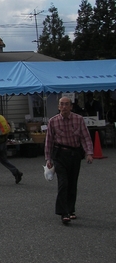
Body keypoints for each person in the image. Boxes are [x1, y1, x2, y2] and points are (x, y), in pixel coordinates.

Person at [45, 96, 94, 225]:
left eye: (67, 104)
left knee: (72, 183)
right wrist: (48, 158)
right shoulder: (53, 121)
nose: (64, 107)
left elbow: (85, 137)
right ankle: (63, 212)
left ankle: (71, 209)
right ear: (58, 106)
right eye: (62, 104)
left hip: (75, 154)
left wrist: (89, 153)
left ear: (71, 107)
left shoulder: (78, 120)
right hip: (60, 154)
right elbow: (49, 141)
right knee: (63, 183)